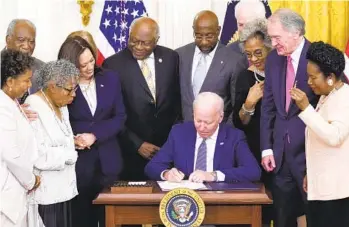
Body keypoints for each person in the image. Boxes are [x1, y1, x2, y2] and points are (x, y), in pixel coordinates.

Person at [58, 36, 126, 227]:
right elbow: (61, 122)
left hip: (109, 164)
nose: (89, 67)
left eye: (91, 61)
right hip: (79, 167)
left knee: (110, 220)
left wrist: (95, 135)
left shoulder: (110, 78)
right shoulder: (61, 86)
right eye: (82, 65)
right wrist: (74, 139)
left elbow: (120, 117)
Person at [103, 17, 181, 181]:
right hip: (131, 154)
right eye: (134, 41)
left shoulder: (171, 58)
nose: (138, 47)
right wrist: (137, 144)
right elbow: (110, 113)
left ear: (156, 40)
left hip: (167, 151)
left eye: (145, 43)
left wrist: (172, 142)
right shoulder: (112, 65)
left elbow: (177, 102)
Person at [260, 9, 319, 227]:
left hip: (309, 155)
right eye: (271, 37)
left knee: (315, 217)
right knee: (283, 217)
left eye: (277, 37)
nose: (273, 43)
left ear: (295, 33)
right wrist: (266, 147)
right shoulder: (274, 59)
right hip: (279, 156)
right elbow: (268, 107)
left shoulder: (317, 56)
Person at [290, 41, 349, 227]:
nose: (309, 82)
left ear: (330, 77)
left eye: (313, 77)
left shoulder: (345, 97)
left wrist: (306, 109)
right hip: (321, 187)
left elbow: (334, 136)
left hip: (337, 193)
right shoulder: (327, 96)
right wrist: (311, 173)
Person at [145, 92, 261, 183]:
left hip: (220, 200)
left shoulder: (234, 136)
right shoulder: (179, 133)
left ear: (220, 117)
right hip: (186, 199)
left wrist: (213, 175)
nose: (202, 127)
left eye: (208, 122)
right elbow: (152, 166)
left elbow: (253, 171)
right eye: (198, 120)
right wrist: (166, 174)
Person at [25, 60, 79, 227]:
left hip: (65, 190)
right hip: (46, 195)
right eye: (70, 90)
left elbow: (62, 140)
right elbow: (38, 155)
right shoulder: (33, 104)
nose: (74, 95)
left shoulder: (62, 105)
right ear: (52, 86)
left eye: (75, 89)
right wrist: (70, 154)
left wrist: (73, 142)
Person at [176, 10, 246, 123]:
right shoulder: (179, 55)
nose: (204, 42)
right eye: (198, 36)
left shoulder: (235, 61)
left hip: (218, 134)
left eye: (209, 36)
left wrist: (226, 135)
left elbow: (236, 106)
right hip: (185, 132)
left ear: (218, 30)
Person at [0, 50, 41, 227]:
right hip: (7, 196)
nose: (29, 84)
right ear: (9, 82)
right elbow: (11, 155)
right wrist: (31, 180)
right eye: (25, 80)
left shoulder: (12, 103)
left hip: (17, 190)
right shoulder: (3, 108)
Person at [233, 18, 271, 163]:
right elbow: (240, 123)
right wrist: (249, 103)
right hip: (255, 150)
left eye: (258, 53)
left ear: (270, 47)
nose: (253, 59)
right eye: (248, 54)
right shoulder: (244, 76)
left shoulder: (283, 74)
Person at [4, 19, 45, 99]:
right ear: (8, 40)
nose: (26, 46)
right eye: (21, 40)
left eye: (31, 41)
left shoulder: (42, 68)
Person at [227, 0, 266, 66]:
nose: (244, 30)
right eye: (241, 25)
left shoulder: (275, 50)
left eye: (249, 25)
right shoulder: (228, 52)